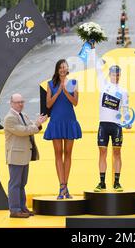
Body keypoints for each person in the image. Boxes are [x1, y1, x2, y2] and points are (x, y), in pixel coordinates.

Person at [90, 44, 131, 192]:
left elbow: (125, 109)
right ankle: (101, 182)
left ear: (120, 75)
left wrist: (127, 122)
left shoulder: (124, 91)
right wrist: (93, 48)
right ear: (110, 74)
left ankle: (117, 182)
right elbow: (96, 67)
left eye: (118, 74)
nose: (116, 76)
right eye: (114, 73)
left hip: (117, 126)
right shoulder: (103, 84)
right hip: (103, 124)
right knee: (102, 153)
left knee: (117, 153)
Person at [4, 94, 47, 218]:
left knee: (22, 183)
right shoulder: (10, 118)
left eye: (22, 101)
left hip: (23, 155)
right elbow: (24, 131)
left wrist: (38, 122)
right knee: (15, 184)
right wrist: (36, 124)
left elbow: (31, 127)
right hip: (16, 156)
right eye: (17, 102)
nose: (20, 104)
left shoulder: (23, 115)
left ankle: (22, 208)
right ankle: (14, 210)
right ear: (11, 103)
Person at [44, 59, 82, 199]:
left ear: (67, 69)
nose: (62, 69)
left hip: (69, 120)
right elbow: (48, 104)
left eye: (64, 67)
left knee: (68, 153)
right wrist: (58, 90)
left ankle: (66, 185)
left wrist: (65, 91)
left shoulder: (73, 83)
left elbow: (75, 102)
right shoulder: (50, 84)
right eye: (60, 67)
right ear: (57, 69)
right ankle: (62, 186)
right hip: (56, 121)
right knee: (58, 154)